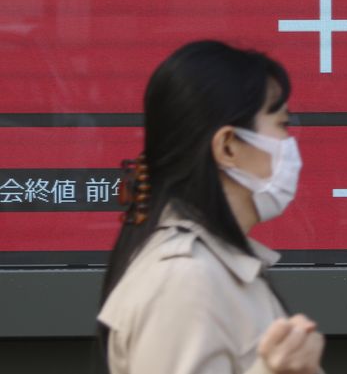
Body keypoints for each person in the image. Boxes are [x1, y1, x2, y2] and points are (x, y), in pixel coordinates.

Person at [98, 40, 325, 374]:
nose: (290, 145)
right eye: (282, 125)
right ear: (229, 147)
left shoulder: (209, 268)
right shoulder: (182, 280)